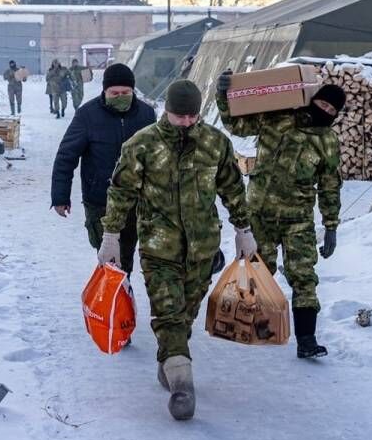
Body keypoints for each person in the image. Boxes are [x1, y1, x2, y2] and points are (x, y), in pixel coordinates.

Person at [99, 79, 257, 421]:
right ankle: (183, 385)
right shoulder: (141, 145)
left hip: (203, 247)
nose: (186, 122)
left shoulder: (215, 143)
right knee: (168, 313)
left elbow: (232, 188)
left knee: (184, 315)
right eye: (178, 115)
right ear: (166, 111)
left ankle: (169, 360)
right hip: (159, 247)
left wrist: (243, 229)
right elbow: (121, 192)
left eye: (192, 116)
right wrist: (110, 235)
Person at [215, 69, 344, 359]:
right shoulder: (278, 117)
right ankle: (247, 325)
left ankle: (307, 340)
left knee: (304, 277)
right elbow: (236, 125)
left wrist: (331, 224)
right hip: (259, 214)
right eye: (323, 104)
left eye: (332, 110)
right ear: (313, 100)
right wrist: (222, 94)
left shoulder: (327, 142)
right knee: (259, 272)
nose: (325, 111)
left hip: (298, 219)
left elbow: (330, 185)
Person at [51, 63, 156, 274]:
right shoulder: (87, 115)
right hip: (100, 201)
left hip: (137, 201)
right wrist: (60, 197)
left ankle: (120, 300)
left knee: (126, 255)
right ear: (104, 91)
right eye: (114, 93)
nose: (120, 96)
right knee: (110, 260)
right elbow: (66, 156)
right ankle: (115, 302)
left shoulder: (146, 114)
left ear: (133, 91)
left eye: (125, 92)